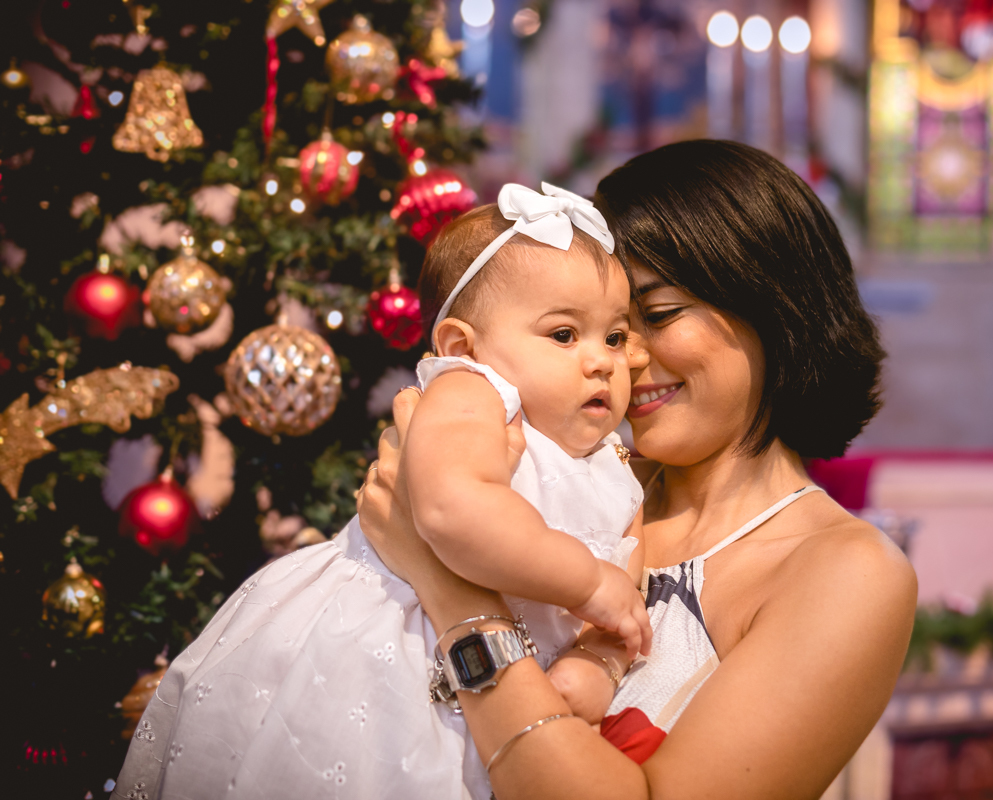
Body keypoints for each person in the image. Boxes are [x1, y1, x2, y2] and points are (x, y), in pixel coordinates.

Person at [356, 139, 918, 799]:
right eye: (599, 329)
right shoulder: (563, 482)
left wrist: (452, 589)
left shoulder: (846, 572)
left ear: (772, 307)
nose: (618, 360)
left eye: (654, 317)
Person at [113, 182, 653, 800]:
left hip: (493, 689)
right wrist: (585, 583)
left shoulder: (613, 462)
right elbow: (452, 509)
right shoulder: (475, 396)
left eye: (614, 337)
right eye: (563, 335)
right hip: (385, 649)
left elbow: (626, 587)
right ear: (462, 348)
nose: (603, 362)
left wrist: (599, 662)